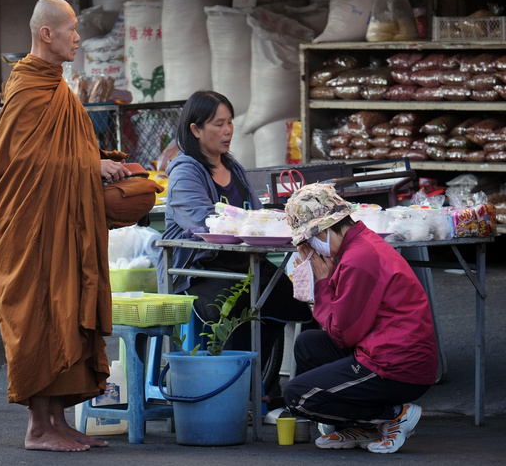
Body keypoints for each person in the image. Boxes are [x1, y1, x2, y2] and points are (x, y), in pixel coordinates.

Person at [0, 0, 130, 453]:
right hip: (25, 231)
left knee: (63, 317)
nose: (78, 38)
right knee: (38, 318)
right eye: (71, 30)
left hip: (57, 226)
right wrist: (89, 166)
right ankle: (36, 428)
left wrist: (100, 161)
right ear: (47, 34)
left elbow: (63, 148)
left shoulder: (59, 87)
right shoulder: (26, 87)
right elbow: (20, 161)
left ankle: (57, 423)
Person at [156, 90, 312, 396]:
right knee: (244, 302)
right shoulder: (186, 171)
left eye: (230, 122)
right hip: (199, 271)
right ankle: (237, 389)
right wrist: (248, 225)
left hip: (242, 263)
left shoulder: (234, 167)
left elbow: (255, 215)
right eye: (218, 124)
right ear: (195, 129)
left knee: (290, 294)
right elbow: (202, 223)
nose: (227, 130)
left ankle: (264, 385)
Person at [282, 183, 438, 454]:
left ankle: (392, 414)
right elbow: (340, 327)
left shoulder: (358, 258)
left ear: (325, 229)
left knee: (298, 397)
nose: (309, 248)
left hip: (396, 364)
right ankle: (364, 425)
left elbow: (343, 333)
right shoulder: (355, 247)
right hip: (384, 348)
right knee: (308, 344)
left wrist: (322, 284)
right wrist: (323, 282)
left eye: (308, 240)